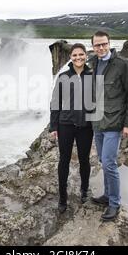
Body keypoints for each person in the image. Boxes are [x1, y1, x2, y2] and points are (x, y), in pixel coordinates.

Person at [89, 31, 128, 221]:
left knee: (109, 163)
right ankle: (107, 195)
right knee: (104, 161)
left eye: (104, 44)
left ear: (109, 44)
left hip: (114, 122)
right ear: (93, 47)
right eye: (97, 45)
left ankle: (114, 204)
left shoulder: (123, 64)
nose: (101, 48)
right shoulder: (93, 62)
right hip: (97, 122)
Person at [49, 43, 94, 214]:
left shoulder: (92, 75)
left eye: (81, 54)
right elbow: (55, 103)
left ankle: (84, 190)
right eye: (74, 55)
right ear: (71, 58)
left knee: (84, 160)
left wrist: (97, 124)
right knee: (64, 161)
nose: (78, 58)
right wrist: (54, 126)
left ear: (86, 56)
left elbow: (98, 101)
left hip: (86, 126)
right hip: (65, 125)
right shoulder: (63, 77)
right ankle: (62, 197)